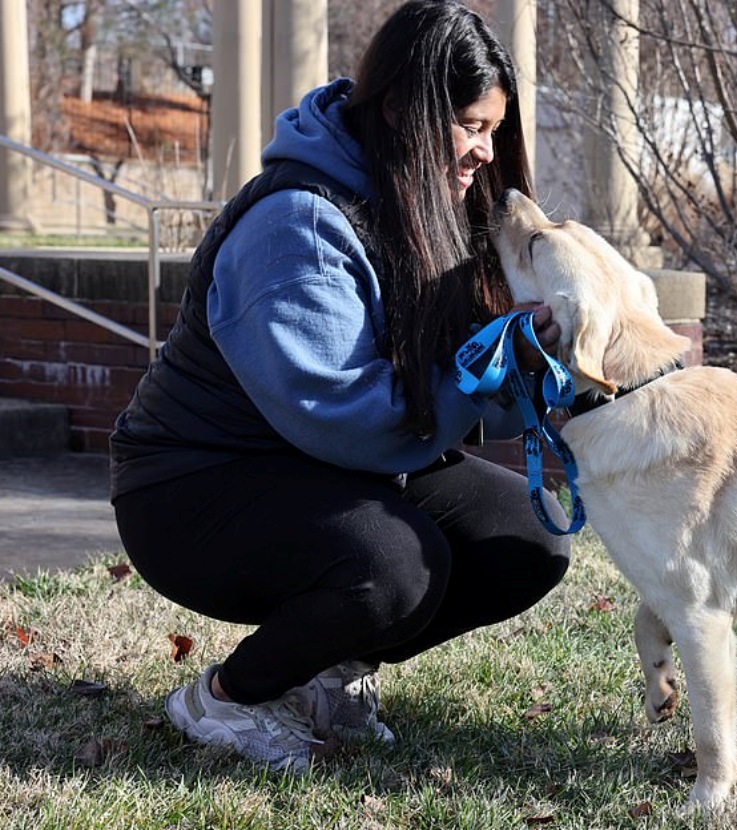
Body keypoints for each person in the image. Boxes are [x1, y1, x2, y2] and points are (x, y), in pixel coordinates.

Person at [110, 0, 571, 773]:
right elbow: (349, 418)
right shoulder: (297, 225)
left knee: (530, 533)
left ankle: (323, 668)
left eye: (493, 129)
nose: (486, 152)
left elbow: (449, 379)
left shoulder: (426, 201)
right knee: (395, 565)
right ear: (398, 109)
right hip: (190, 486)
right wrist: (486, 367)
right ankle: (229, 697)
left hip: (313, 469)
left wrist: (521, 357)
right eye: (471, 126)